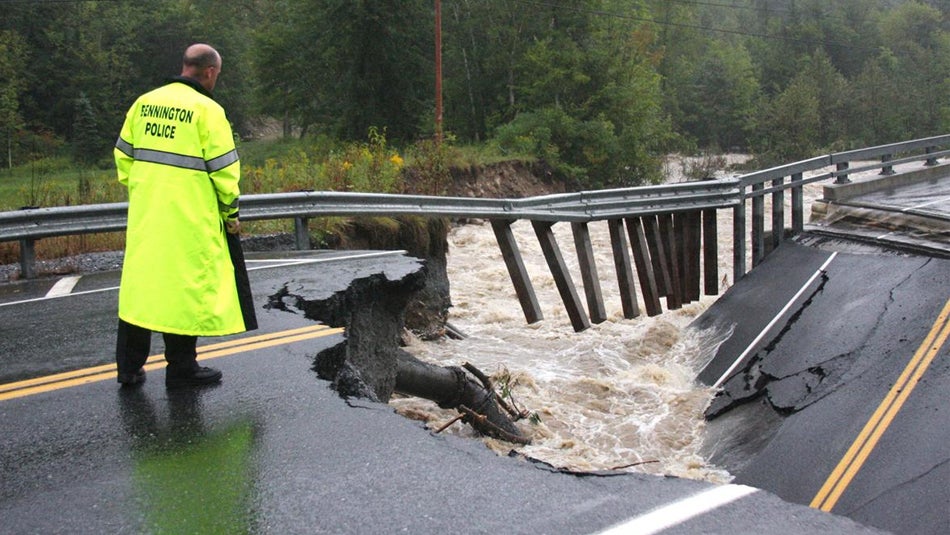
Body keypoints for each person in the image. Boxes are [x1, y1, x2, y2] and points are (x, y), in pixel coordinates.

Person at [114, 43, 255, 388]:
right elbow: (225, 173)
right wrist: (230, 213)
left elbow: (123, 158)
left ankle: (129, 369)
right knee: (183, 290)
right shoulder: (207, 111)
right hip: (189, 220)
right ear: (209, 72)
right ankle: (181, 365)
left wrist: (150, 192)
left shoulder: (144, 103)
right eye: (217, 75)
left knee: (142, 289)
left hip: (148, 217)